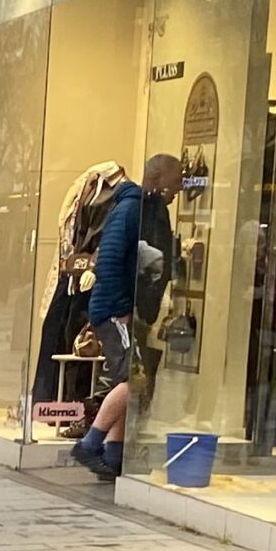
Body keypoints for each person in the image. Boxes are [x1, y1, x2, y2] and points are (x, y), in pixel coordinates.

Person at [72, 154, 185, 482]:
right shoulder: (133, 208)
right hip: (117, 310)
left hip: (127, 309)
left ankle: (113, 455)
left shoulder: (147, 209)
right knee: (135, 379)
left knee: (130, 379)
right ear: (159, 179)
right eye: (176, 181)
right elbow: (109, 259)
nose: (180, 188)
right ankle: (90, 444)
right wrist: (122, 310)